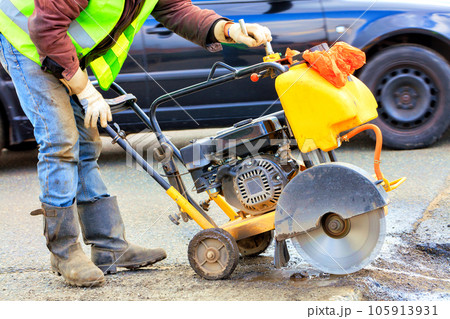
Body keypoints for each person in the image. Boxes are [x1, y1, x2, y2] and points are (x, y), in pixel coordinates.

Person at [0, 0, 272, 287]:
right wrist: (85, 91)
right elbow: (45, 28)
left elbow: (176, 10)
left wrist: (229, 31)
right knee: (60, 141)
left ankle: (110, 247)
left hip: (57, 42)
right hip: (27, 40)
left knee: (86, 144)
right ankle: (64, 251)